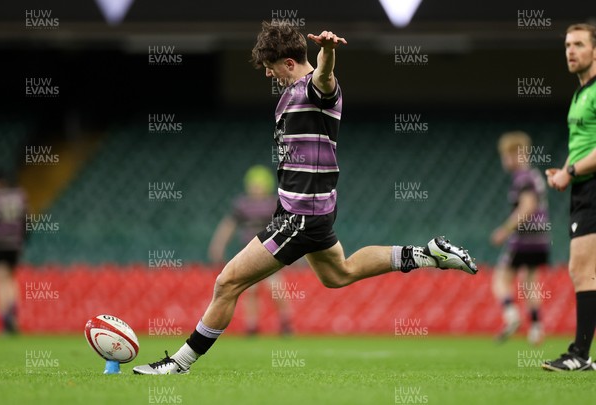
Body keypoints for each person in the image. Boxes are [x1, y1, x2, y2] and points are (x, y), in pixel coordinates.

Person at [133, 22, 477, 375]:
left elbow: (325, 78)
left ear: (289, 61)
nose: (267, 73)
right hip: (304, 209)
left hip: (301, 214)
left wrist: (328, 52)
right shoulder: (293, 91)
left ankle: (179, 364)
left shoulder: (314, 88)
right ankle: (426, 253)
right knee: (339, 274)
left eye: (270, 66)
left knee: (227, 282)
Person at [542, 23, 596, 371]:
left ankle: (579, 354)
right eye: (566, 45)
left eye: (578, 44)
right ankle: (581, 354)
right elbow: (582, 144)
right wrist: (564, 172)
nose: (570, 51)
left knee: (582, 268)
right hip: (582, 186)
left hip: (592, 185)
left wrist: (571, 172)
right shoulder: (580, 94)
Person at [208, 164, 292, 336]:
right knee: (249, 290)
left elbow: (287, 227)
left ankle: (285, 322)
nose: (256, 189)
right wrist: (218, 245)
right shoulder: (243, 205)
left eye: (259, 185)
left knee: (276, 289)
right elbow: (228, 226)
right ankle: (251, 325)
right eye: (254, 185)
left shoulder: (273, 205)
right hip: (248, 254)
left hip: (271, 255)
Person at [490, 131, 550, 345]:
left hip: (524, 237)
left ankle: (511, 315)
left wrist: (505, 230)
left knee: (501, 278)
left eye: (506, 155)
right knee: (529, 282)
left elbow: (527, 207)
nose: (504, 160)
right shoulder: (534, 175)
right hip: (541, 238)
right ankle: (536, 328)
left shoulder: (523, 177)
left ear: (516, 154)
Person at [0, 171, 27, 334]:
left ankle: (6, 318)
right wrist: (22, 241)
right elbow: (26, 220)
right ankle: (13, 315)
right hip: (15, 243)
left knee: (0, 280)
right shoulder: (19, 196)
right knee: (11, 279)